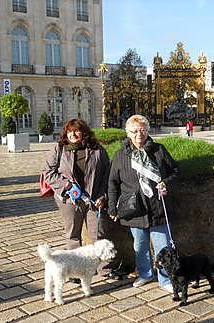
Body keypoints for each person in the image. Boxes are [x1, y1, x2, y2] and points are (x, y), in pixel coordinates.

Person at [108, 114, 180, 293]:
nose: (139, 134)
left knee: (162, 245)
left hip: (157, 206)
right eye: (134, 131)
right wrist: (112, 207)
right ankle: (146, 274)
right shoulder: (120, 155)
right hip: (134, 209)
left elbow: (176, 171)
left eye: (143, 130)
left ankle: (165, 279)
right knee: (139, 245)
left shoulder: (158, 150)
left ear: (148, 131)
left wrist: (166, 182)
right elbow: (112, 183)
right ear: (128, 133)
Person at [42, 119, 110, 281]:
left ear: (84, 132)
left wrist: (103, 195)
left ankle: (100, 268)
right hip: (69, 200)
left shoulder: (97, 149)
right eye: (69, 131)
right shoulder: (59, 149)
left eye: (76, 131)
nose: (72, 134)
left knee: (97, 234)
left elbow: (106, 175)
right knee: (73, 234)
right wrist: (66, 185)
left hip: (93, 200)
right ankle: (75, 269)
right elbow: (48, 172)